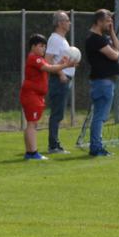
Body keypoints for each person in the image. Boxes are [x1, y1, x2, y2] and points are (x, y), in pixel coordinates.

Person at [20, 34, 75, 160]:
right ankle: (33, 153)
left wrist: (62, 63)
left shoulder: (39, 58)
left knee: (32, 124)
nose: (43, 49)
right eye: (41, 46)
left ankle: (30, 152)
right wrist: (65, 66)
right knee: (32, 124)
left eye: (45, 46)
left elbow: (51, 67)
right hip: (31, 95)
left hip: (36, 95)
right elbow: (49, 68)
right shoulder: (35, 58)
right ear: (33, 46)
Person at [85, 9, 119, 157]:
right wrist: (117, 53)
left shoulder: (103, 37)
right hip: (102, 83)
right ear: (99, 21)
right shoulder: (95, 39)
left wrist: (112, 32)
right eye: (107, 21)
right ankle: (96, 148)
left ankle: (97, 146)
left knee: (100, 116)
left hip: (105, 82)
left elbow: (118, 48)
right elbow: (115, 55)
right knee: (99, 117)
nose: (110, 23)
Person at [45, 11, 75, 154]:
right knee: (57, 113)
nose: (69, 23)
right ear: (59, 23)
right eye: (67, 20)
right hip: (59, 80)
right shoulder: (55, 39)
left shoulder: (62, 39)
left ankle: (54, 144)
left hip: (65, 79)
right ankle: (53, 146)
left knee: (59, 113)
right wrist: (61, 73)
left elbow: (60, 60)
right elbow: (49, 60)